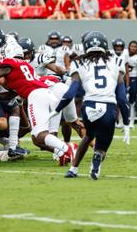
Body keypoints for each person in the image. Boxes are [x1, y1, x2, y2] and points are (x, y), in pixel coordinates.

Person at [0, 41, 76, 165]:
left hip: (37, 96)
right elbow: (17, 89)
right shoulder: (26, 66)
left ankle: (67, 148)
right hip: (47, 94)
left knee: (39, 134)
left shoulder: (9, 63)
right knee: (41, 134)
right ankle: (62, 153)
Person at [54, 32, 130, 180]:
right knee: (102, 144)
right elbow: (121, 97)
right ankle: (97, 156)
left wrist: (56, 110)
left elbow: (71, 93)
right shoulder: (116, 61)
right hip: (108, 108)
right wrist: (126, 123)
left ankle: (73, 169)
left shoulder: (79, 62)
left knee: (88, 136)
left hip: (88, 106)